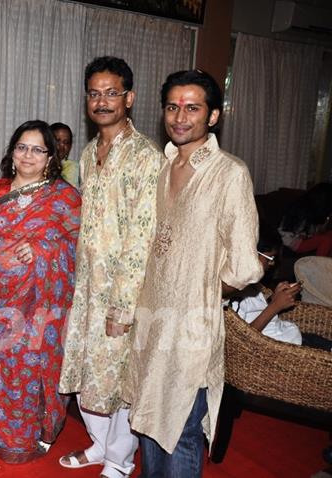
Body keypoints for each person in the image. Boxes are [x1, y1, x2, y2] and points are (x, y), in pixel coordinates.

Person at [122, 70, 263, 477]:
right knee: (148, 418)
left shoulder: (228, 174)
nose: (180, 117)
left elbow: (245, 265)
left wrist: (198, 291)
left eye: (192, 108)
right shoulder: (163, 167)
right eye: (172, 107)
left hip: (192, 326)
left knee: (182, 427)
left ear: (213, 116)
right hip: (151, 317)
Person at [57, 56, 164, 478]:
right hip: (87, 289)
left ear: (130, 98)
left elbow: (142, 235)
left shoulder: (145, 156)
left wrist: (123, 306)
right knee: (88, 372)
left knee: (120, 382)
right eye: (94, 94)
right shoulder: (86, 152)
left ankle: (119, 461)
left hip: (124, 294)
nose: (102, 101)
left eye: (111, 93)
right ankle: (100, 446)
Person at [0, 120, 81, 463]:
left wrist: (45, 249)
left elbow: (82, 246)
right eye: (22, 147)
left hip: (41, 304)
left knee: (30, 362)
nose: (28, 155)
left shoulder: (65, 197)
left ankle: (29, 434)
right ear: (12, 152)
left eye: (37, 149)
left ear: (50, 157)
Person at [227, 229, 332, 350]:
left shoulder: (251, 283)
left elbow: (255, 310)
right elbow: (241, 339)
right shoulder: (232, 294)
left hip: (291, 335)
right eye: (269, 259)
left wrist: (275, 298)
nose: (271, 264)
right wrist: (276, 306)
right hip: (285, 349)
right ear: (251, 253)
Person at [278, 182, 332, 257]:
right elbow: (298, 233)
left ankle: (327, 263)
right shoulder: (302, 208)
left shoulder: (311, 206)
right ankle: (318, 264)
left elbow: (314, 231)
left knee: (329, 235)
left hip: (300, 237)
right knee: (326, 239)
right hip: (291, 241)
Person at [51, 122, 78, 188]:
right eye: (57, 141)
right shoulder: (39, 164)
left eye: (66, 142)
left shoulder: (74, 168)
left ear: (70, 146)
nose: (61, 146)